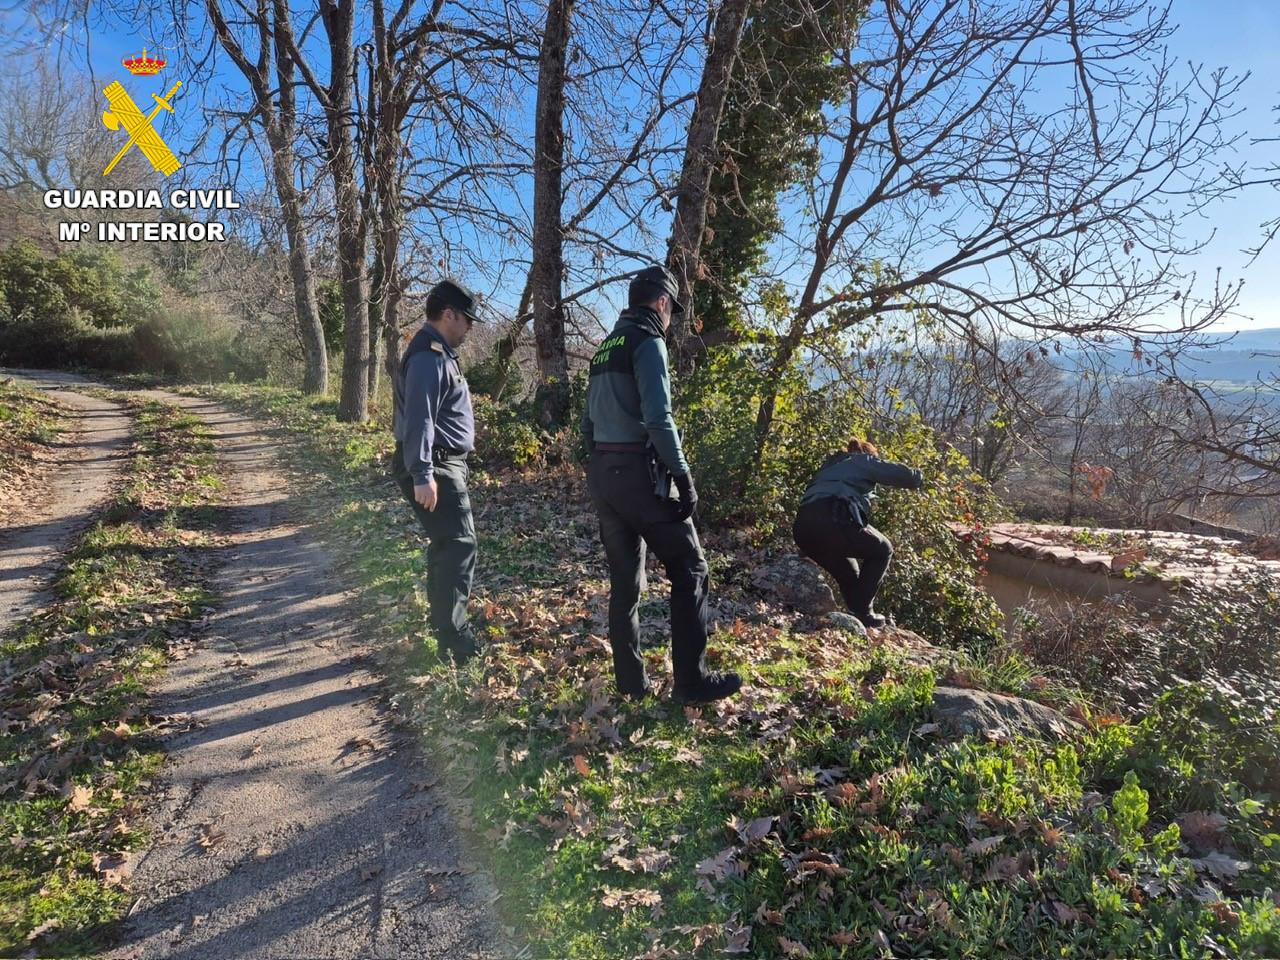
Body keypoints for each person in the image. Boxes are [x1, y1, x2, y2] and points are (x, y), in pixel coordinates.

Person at [582, 264, 741, 704]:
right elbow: (658, 418)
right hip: (638, 473)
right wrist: (684, 476)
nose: (671, 318)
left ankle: (631, 683)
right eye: (672, 309)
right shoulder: (648, 342)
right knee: (690, 567)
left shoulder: (604, 347)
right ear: (662, 303)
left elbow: (587, 424)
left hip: (605, 474)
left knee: (625, 582)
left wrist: (598, 470)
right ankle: (691, 682)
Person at [391, 279, 482, 663]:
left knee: (448, 548)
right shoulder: (430, 357)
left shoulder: (438, 352)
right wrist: (423, 473)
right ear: (449, 315)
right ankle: (455, 642)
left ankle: (445, 631)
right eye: (467, 320)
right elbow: (420, 420)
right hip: (437, 465)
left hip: (442, 463)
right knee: (460, 547)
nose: (470, 328)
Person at [792, 437, 923, 629]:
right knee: (883, 549)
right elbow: (905, 477)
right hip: (834, 517)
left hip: (803, 530)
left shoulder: (830, 466)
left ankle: (856, 617)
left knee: (850, 571)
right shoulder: (862, 460)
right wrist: (919, 477)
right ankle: (863, 613)